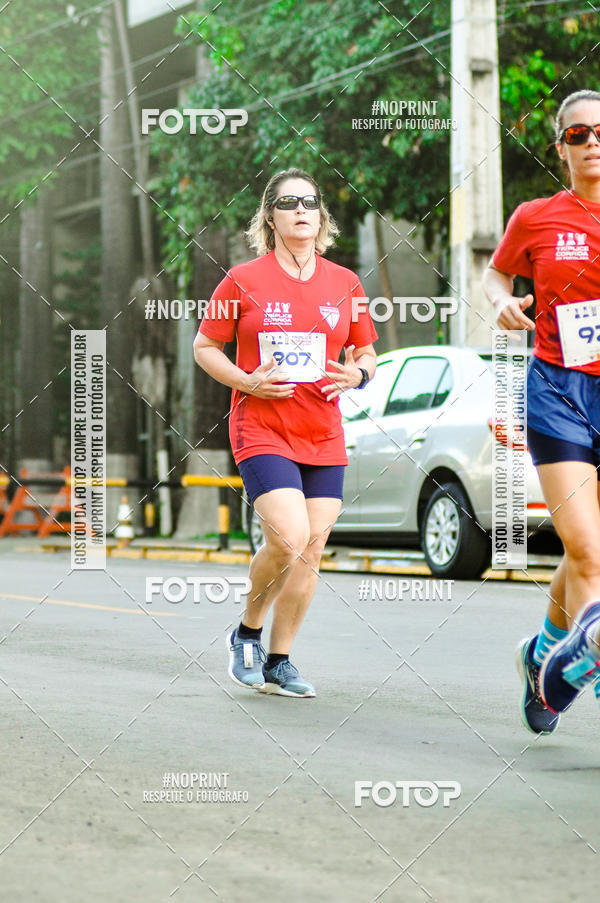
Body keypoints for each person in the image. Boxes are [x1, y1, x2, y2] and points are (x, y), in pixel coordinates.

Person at [193, 168, 377, 697]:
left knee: (312, 550)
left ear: (321, 216)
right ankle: (247, 632)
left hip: (323, 432)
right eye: (288, 202)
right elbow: (205, 348)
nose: (301, 210)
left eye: (310, 202)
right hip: (263, 426)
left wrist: (358, 373)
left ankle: (280, 660)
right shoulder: (243, 279)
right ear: (269, 217)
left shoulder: (346, 284)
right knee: (290, 539)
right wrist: (246, 380)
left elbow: (365, 351)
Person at [483, 89, 600, 733]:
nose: (591, 142)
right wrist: (501, 301)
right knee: (586, 547)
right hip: (558, 391)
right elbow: (496, 274)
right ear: (561, 147)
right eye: (578, 133)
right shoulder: (536, 216)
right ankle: (590, 669)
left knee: (590, 555)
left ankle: (542, 654)